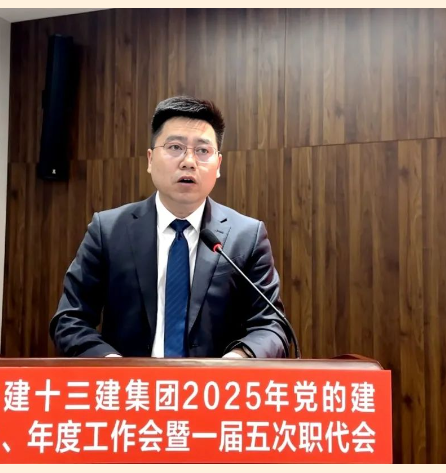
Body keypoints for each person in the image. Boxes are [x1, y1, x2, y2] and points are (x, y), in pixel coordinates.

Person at [50, 96, 289, 358]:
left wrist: (236, 360)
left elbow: (272, 326)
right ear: (150, 159)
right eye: (175, 147)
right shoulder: (108, 231)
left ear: (218, 165)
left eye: (203, 151)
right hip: (129, 383)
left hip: (215, 383)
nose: (189, 161)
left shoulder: (247, 236)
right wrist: (114, 367)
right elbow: (70, 319)